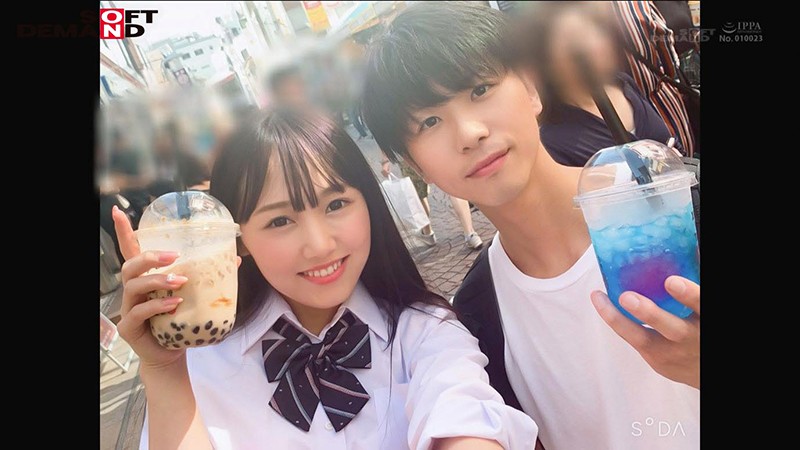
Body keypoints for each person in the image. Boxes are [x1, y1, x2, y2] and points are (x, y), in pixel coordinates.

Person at [361, 3, 699, 449]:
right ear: (412, 164)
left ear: (531, 88)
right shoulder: (480, 312)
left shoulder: (678, 209)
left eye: (480, 89)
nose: (470, 132)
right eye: (429, 121)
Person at [111, 107, 538, 449]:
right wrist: (163, 372)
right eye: (280, 221)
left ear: (368, 204)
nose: (319, 246)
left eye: (335, 205)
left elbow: (462, 410)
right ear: (239, 240)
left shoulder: (425, 333)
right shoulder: (200, 365)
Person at [511, 1, 675, 167]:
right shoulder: (554, 141)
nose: (596, 45)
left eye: (597, 30)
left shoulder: (623, 83)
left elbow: (668, 145)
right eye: (577, 41)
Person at [381, 156, 483, 250]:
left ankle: (427, 233)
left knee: (419, 195)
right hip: (434, 150)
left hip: (410, 156)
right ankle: (470, 234)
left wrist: (385, 161)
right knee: (453, 186)